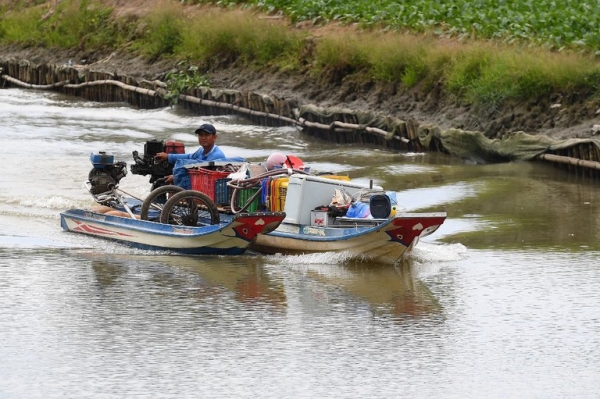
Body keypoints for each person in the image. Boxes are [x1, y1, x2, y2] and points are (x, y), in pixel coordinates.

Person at [154, 123, 226, 184]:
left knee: (174, 182)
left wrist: (175, 177)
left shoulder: (216, 155)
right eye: (201, 135)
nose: (203, 138)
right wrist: (168, 157)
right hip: (200, 183)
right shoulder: (201, 150)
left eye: (206, 135)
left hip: (209, 187)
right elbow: (189, 157)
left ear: (214, 137)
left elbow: (202, 172)